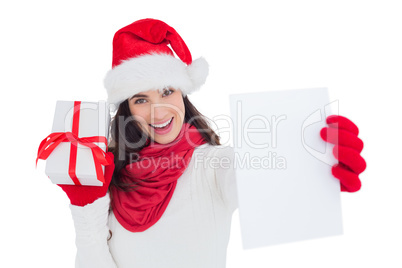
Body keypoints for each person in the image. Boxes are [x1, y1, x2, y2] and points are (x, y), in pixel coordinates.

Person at [58, 18, 366, 268]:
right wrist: (85, 206)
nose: (159, 111)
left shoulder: (213, 166)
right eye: (141, 99)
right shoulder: (112, 176)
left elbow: (257, 179)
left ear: (183, 95)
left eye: (167, 91)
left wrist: (315, 166)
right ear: (128, 109)